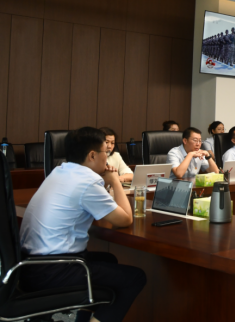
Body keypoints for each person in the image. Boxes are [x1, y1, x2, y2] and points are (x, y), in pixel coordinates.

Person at [19, 127, 146, 322]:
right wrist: (114, 180)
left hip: (28, 265)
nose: (107, 158)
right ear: (92, 155)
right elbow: (125, 219)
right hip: (54, 270)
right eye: (105, 153)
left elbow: (89, 210)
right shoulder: (87, 182)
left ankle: (84, 318)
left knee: (109, 259)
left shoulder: (59, 171)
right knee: (135, 278)